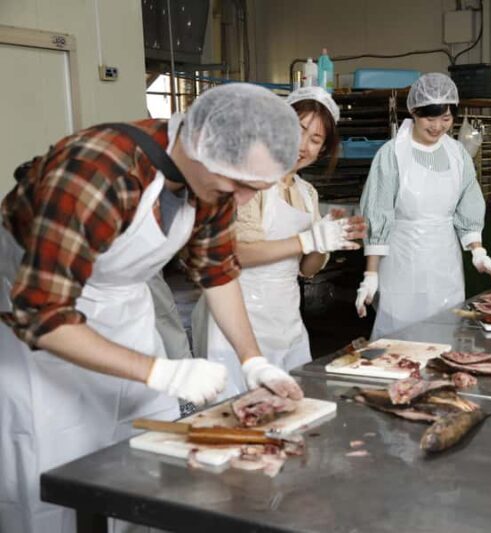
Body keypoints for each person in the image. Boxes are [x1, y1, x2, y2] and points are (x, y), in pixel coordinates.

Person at [0, 83, 305, 533]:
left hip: (125, 311)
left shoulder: (215, 185)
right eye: (239, 186)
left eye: (252, 189)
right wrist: (159, 372)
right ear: (202, 147)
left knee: (148, 456)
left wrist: (253, 360)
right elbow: (40, 314)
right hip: (42, 333)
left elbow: (217, 272)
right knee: (50, 476)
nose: (241, 200)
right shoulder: (98, 170)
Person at [192, 86, 366, 399]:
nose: (304, 146)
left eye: (316, 140)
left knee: (292, 407)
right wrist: (307, 238)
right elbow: (237, 254)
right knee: (239, 411)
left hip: (286, 317)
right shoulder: (251, 180)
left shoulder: (307, 193)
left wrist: (327, 240)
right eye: (299, 131)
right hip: (238, 312)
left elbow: (306, 269)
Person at [356, 73, 491, 339]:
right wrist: (371, 274)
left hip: (445, 262)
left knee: (445, 335)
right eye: (430, 118)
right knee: (400, 341)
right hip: (402, 262)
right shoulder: (392, 154)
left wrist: (478, 251)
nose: (437, 127)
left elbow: (467, 205)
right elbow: (377, 214)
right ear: (413, 111)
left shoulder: (458, 155)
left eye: (446, 119)